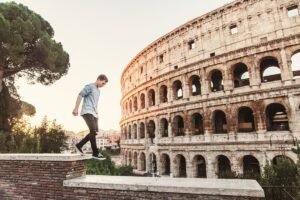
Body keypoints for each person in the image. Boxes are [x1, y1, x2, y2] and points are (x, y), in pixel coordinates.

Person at [72, 74, 108, 160]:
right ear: (99, 79)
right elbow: (80, 95)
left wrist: (97, 113)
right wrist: (76, 108)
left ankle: (79, 145)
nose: (103, 86)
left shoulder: (99, 91)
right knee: (92, 130)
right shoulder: (89, 87)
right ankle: (95, 152)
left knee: (95, 132)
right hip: (87, 111)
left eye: (104, 84)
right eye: (102, 83)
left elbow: (95, 102)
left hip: (94, 113)